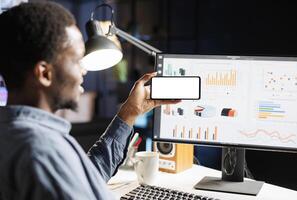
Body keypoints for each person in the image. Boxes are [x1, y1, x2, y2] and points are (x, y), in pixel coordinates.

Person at [0, 2, 179, 199]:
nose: (83, 70)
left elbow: (88, 177)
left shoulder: (13, 133)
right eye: (77, 60)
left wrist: (129, 113)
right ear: (45, 73)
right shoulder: (43, 150)